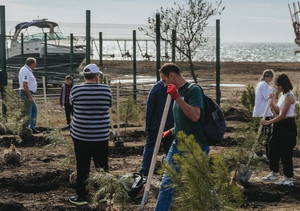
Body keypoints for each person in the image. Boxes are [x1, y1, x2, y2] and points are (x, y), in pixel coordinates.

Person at [155, 63, 209, 211]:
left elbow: (195, 116)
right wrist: (170, 131)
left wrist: (177, 98)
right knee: (166, 184)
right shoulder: (177, 92)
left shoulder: (193, 90)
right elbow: (182, 120)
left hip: (195, 146)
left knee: (199, 187)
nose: (164, 83)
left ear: (172, 75)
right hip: (177, 145)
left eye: (164, 80)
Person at [68, 64, 112, 206]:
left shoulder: (75, 90)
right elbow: (108, 105)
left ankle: (81, 197)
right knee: (102, 166)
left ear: (85, 76)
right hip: (100, 135)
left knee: (82, 166)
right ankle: (103, 196)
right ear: (97, 75)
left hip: (80, 135)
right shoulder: (106, 90)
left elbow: (72, 107)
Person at [261, 74, 297, 186]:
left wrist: (268, 122)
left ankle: (289, 178)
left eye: (278, 85)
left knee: (286, 152)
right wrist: (272, 101)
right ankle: (274, 173)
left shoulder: (289, 97)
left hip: (287, 126)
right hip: (279, 125)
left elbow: (283, 115)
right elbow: (277, 110)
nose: (276, 87)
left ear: (283, 85)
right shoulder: (282, 95)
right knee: (272, 148)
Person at [139, 80, 174, 177]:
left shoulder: (156, 88)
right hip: (171, 125)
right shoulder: (175, 87)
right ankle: (170, 173)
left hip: (155, 126)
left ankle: (144, 172)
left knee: (150, 148)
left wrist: (148, 126)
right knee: (170, 149)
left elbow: (150, 108)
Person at [253, 69, 274, 159]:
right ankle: (264, 154)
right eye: (271, 77)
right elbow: (267, 97)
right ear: (268, 77)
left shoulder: (260, 84)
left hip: (259, 112)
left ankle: (259, 153)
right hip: (263, 113)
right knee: (266, 134)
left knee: (260, 134)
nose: (272, 79)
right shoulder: (264, 85)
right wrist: (273, 91)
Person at [18, 57, 40, 134]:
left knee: (33, 110)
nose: (36, 65)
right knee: (28, 112)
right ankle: (26, 130)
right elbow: (25, 84)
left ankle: (31, 127)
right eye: (35, 63)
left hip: (27, 93)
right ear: (32, 63)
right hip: (26, 93)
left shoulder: (26, 70)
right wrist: (29, 96)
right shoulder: (25, 70)